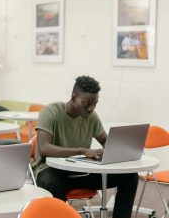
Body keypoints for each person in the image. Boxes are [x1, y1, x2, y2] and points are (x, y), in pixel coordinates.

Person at [33, 76, 138, 218]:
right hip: (51, 170)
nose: (91, 108)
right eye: (86, 103)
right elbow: (44, 148)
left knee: (130, 177)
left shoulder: (91, 117)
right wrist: (82, 150)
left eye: (95, 104)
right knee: (54, 185)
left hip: (80, 171)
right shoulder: (50, 112)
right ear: (73, 96)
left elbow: (107, 141)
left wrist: (111, 153)